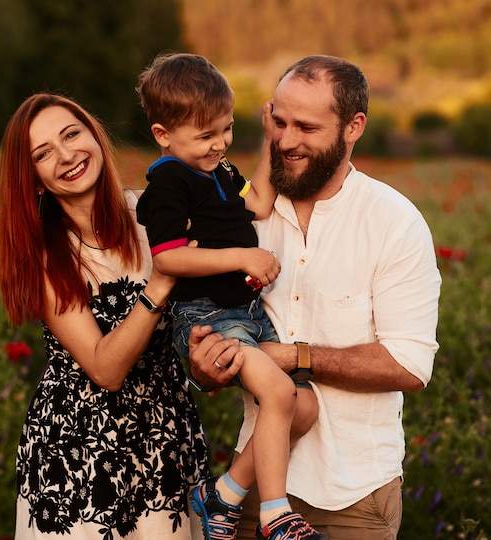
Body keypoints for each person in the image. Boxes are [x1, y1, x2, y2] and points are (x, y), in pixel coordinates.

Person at [188, 55, 442, 540]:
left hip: (354, 496)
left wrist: (288, 358)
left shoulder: (394, 222)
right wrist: (205, 370)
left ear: (354, 127)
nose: (286, 140)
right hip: (250, 487)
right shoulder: (241, 214)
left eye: (306, 127)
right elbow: (207, 316)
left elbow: (409, 365)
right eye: (278, 122)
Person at [0, 92, 210, 539]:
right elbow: (105, 369)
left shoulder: (153, 214)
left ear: (94, 134)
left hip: (164, 441)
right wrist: (163, 281)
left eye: (72, 134)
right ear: (33, 178)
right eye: (43, 153)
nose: (67, 154)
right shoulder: (44, 257)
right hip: (78, 455)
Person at [135, 52, 326, 540]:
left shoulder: (218, 171)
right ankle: (274, 515)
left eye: (225, 130)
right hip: (208, 317)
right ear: (163, 135)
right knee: (282, 393)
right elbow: (169, 259)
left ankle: (222, 496)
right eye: (205, 136)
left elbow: (258, 203)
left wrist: (267, 140)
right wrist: (243, 258)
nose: (219, 144)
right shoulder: (168, 183)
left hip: (246, 314)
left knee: (302, 408)